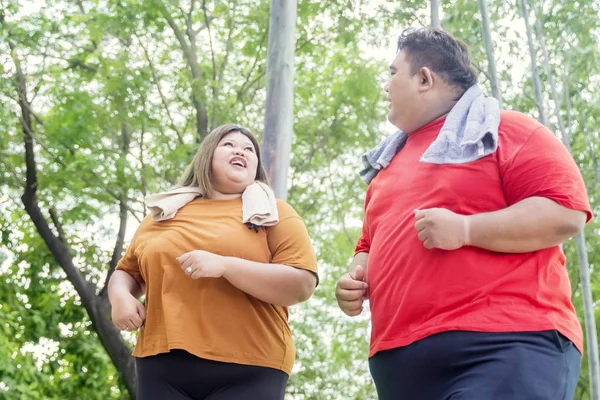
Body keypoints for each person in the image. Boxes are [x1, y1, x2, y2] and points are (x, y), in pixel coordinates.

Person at [335, 28, 592, 400]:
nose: (386, 86)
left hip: (504, 343)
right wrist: (353, 281)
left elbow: (564, 212)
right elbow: (369, 245)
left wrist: (467, 228)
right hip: (399, 363)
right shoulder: (385, 169)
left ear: (424, 78)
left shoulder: (508, 129)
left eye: (393, 72)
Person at [109, 124, 318, 400]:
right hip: (160, 365)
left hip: (250, 366)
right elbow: (128, 272)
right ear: (207, 155)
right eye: (229, 144)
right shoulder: (163, 214)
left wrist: (226, 266)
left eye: (249, 149)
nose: (240, 151)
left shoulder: (275, 213)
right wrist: (120, 296)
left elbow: (301, 284)